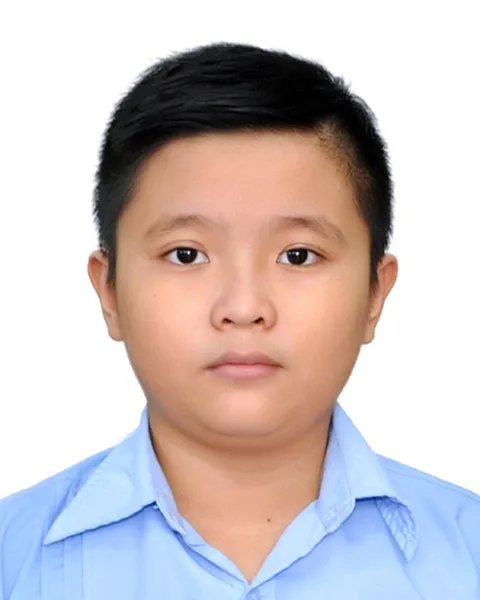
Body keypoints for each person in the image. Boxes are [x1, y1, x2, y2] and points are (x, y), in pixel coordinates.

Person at [1, 41, 479, 600]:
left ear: (376, 293)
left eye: (297, 255)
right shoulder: (13, 559)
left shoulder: (468, 556)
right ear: (110, 292)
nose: (244, 307)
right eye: (187, 255)